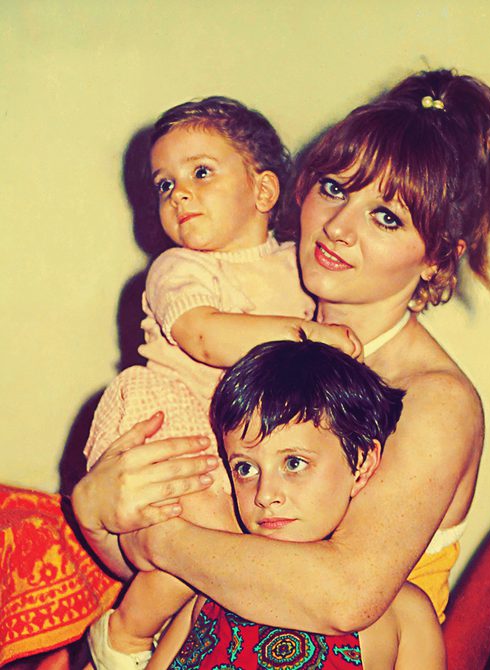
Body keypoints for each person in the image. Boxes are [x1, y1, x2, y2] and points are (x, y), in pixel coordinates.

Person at [71, 69, 490, 642]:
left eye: (386, 217)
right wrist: (94, 509)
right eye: (334, 189)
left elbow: (342, 596)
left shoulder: (434, 398)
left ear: (437, 259)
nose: (337, 228)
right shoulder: (261, 334)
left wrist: (159, 539)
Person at [81, 97, 362, 669]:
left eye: (201, 173)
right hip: (169, 416)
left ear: (262, 192)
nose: (179, 193)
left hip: (239, 438)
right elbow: (206, 337)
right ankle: (126, 635)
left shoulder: (295, 267)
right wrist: (311, 335)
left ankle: (173, 641)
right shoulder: (180, 267)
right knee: (209, 538)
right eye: (165, 185)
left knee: (234, 550)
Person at [147, 339, 443, 670]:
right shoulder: (212, 590)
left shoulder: (402, 614)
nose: (265, 494)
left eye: (293, 463)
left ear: (361, 463)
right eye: (245, 468)